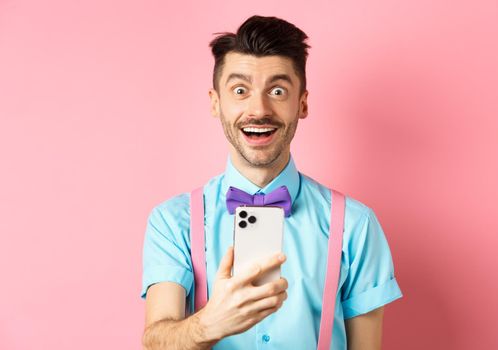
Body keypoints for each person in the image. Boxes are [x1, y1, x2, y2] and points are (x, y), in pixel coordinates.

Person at [141, 15, 402, 350]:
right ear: (215, 102)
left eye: (277, 91)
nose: (258, 109)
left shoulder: (356, 225)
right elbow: (156, 341)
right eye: (240, 90)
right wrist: (210, 323)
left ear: (302, 103)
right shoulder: (172, 221)